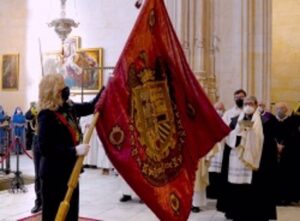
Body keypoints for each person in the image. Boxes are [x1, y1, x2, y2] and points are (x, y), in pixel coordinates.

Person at [38, 73, 103, 220]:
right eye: (62, 87)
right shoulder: (46, 116)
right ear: (54, 92)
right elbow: (46, 148)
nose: (66, 90)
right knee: (54, 214)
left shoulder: (69, 107)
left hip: (70, 171)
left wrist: (107, 87)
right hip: (53, 175)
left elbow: (91, 107)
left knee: (71, 213)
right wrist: (73, 151)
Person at [217, 96, 277, 221]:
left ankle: (258, 214)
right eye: (246, 103)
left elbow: (270, 144)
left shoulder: (265, 121)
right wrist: (238, 132)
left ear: (256, 105)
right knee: (239, 192)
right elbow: (228, 139)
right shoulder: (234, 120)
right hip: (238, 162)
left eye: (250, 103)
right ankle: (237, 214)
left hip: (257, 163)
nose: (248, 106)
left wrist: (252, 135)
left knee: (257, 190)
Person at [275, 102, 300, 205]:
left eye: (281, 108)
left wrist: (284, 145)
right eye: (277, 108)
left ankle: (288, 198)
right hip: (274, 150)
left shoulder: (293, 121)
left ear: (286, 110)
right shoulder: (271, 120)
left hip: (289, 152)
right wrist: (276, 145)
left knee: (288, 174)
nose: (279, 110)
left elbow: (295, 136)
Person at [206, 101, 226, 199]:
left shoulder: (227, 119)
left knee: (221, 172)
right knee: (211, 171)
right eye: (217, 109)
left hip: (222, 147)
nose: (219, 111)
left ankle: (219, 193)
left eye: (221, 109)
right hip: (212, 149)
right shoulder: (209, 119)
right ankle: (210, 193)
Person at [25, 102, 42, 213]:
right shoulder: (37, 105)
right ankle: (38, 202)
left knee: (48, 174)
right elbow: (27, 116)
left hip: (51, 142)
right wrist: (33, 110)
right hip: (37, 142)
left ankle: (48, 201)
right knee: (38, 175)